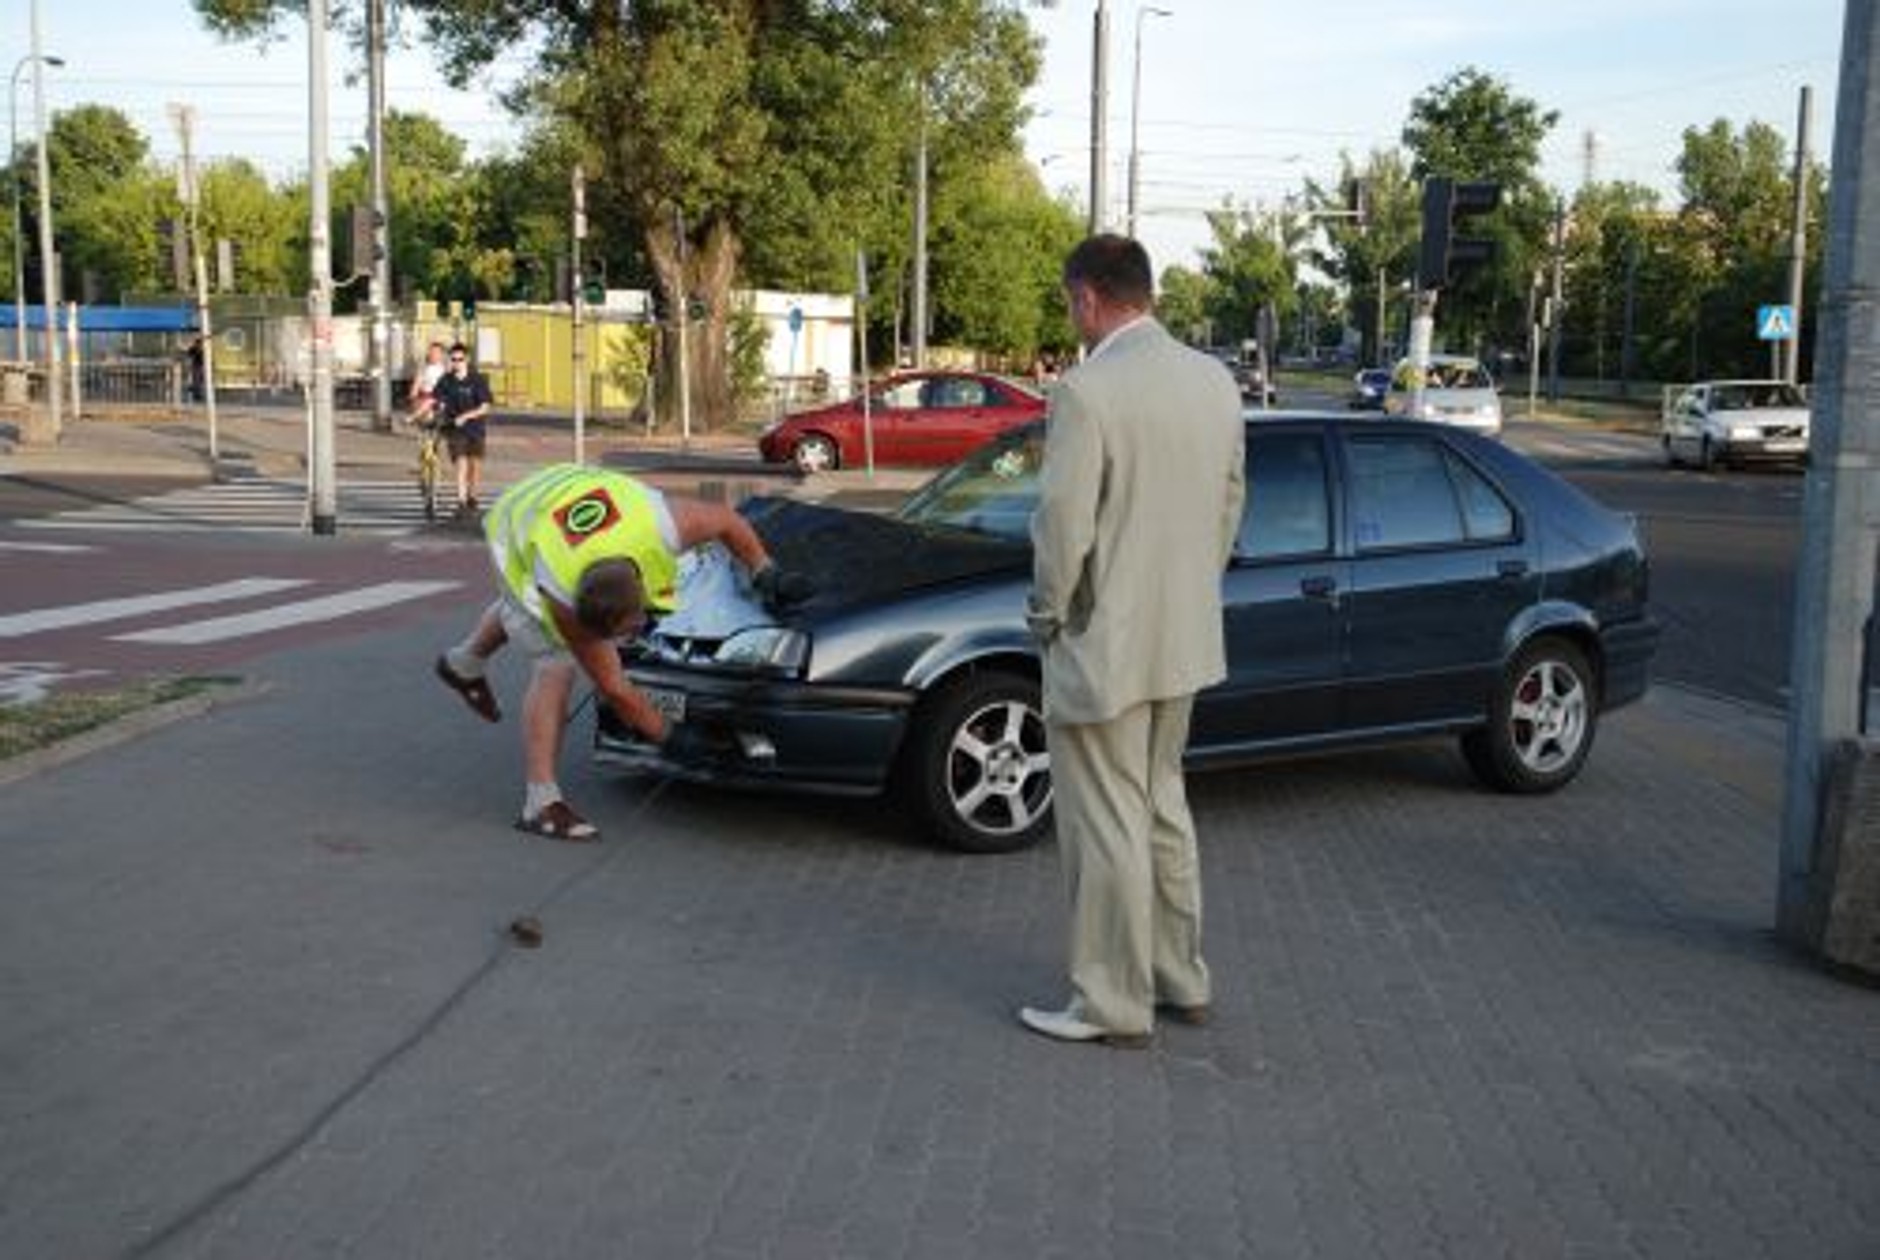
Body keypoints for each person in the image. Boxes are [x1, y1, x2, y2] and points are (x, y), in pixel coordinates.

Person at [1018, 234, 1246, 1049]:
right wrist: (1187, 588)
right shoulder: (1215, 381)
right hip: (1184, 636)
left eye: (1068, 302)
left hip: (1101, 639)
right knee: (1162, 807)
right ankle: (1181, 977)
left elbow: (1061, 526)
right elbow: (1229, 501)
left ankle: (1111, 1004)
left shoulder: (1086, 392)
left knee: (1105, 823)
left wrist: (1047, 614)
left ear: (1087, 297)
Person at [433, 463, 813, 841]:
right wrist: (672, 738)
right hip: (520, 520)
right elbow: (616, 689)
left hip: (565, 489)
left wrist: (765, 572)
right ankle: (540, 803)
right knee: (555, 660)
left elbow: (727, 521)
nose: (628, 639)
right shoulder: (565, 603)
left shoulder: (664, 526)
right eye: (619, 635)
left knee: (525, 616)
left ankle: (464, 663)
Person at [431, 342, 494, 515]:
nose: (457, 362)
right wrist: (416, 415)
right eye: (453, 359)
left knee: (474, 466)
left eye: (460, 359)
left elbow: (485, 407)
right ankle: (461, 500)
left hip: (475, 429)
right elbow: (434, 399)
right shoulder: (446, 380)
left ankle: (472, 495)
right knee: (461, 464)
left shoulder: (478, 380)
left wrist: (466, 416)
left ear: (467, 359)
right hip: (454, 429)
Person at [407, 341, 447, 424]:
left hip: (439, 397)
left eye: (436, 352)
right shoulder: (424, 368)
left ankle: (413, 417)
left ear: (441, 355)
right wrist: (413, 396)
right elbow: (417, 383)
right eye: (431, 352)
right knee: (428, 415)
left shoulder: (444, 369)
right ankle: (422, 421)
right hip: (424, 396)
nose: (432, 354)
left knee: (433, 401)